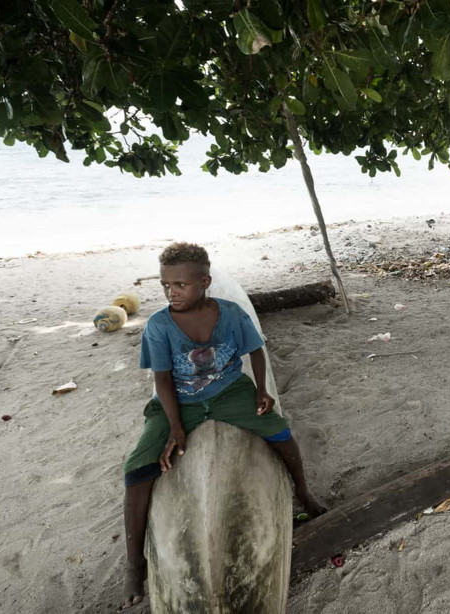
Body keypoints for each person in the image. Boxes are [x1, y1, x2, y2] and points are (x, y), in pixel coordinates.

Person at [121, 242, 327, 609]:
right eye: (166, 285)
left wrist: (262, 390)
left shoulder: (230, 314)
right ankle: (135, 563)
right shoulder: (158, 325)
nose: (172, 292)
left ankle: (304, 493)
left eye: (180, 285)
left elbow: (255, 350)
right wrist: (174, 426)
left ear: (205, 282)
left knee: (281, 434)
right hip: (178, 401)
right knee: (137, 469)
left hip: (229, 392)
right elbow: (163, 380)